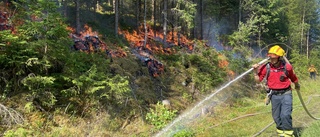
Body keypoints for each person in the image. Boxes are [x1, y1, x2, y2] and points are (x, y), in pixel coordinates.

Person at [252, 45, 300, 137]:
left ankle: (289, 134)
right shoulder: (266, 67)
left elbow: (293, 77)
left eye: (274, 58)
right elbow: (258, 80)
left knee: (285, 115)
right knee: (276, 117)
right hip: (274, 95)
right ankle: (281, 133)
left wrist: (297, 85)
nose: (272, 60)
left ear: (280, 57)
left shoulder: (287, 67)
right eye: (270, 57)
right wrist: (255, 71)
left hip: (286, 93)